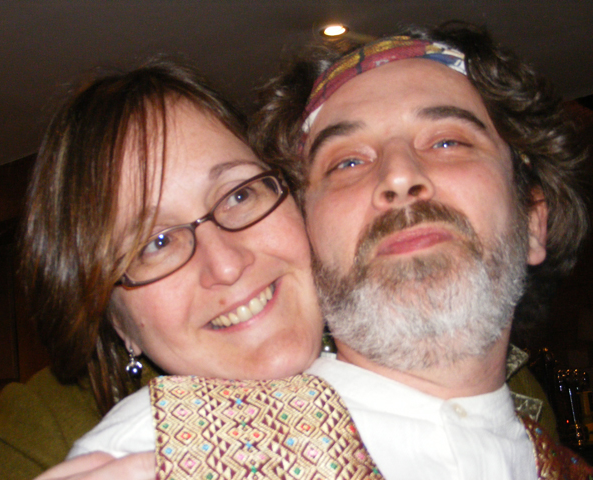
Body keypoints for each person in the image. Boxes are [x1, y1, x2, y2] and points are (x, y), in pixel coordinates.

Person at [249, 21, 591, 479]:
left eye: (448, 142)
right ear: (305, 238)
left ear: (532, 222)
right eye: (348, 162)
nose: (398, 176)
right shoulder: (173, 451)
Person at [0, 59, 323, 480]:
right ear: (118, 322)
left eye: (239, 195)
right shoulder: (51, 436)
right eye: (157, 243)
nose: (226, 265)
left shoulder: (380, 321)